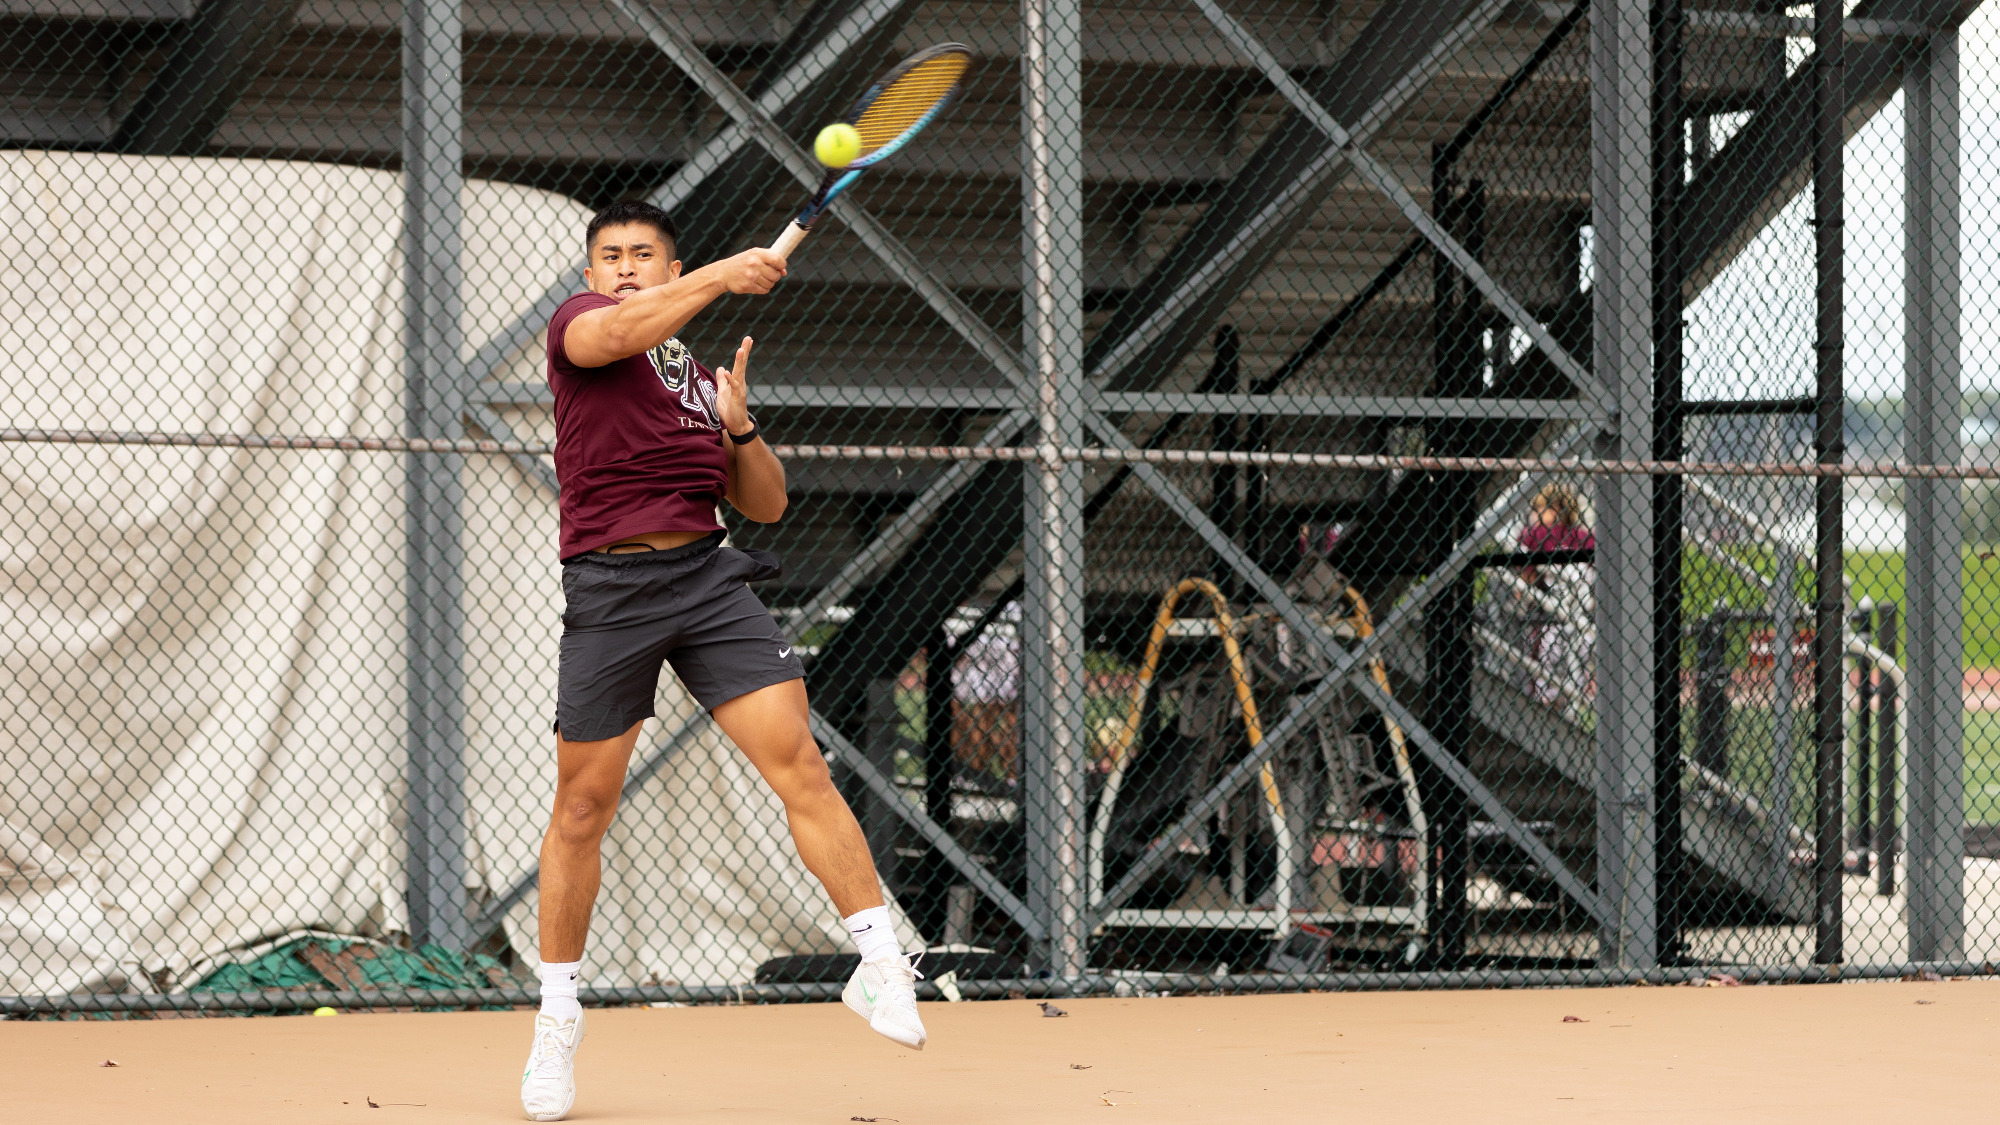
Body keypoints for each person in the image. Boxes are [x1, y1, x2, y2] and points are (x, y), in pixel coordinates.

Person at [520, 201, 925, 1122]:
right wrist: (718, 277)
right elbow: (620, 331)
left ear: (668, 264)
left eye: (643, 256)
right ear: (592, 276)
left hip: (708, 580)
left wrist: (738, 426)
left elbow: (768, 503)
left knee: (802, 765)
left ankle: (879, 963)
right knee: (582, 807)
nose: (624, 268)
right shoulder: (580, 327)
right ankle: (556, 1018)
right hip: (611, 593)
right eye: (610, 257)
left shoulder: (696, 376)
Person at [1517, 484, 1595, 704]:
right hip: (1581, 618)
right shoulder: (1584, 537)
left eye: (1540, 508)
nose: (1536, 515)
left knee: (1543, 677)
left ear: (1556, 509)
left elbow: (1525, 575)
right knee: (1573, 678)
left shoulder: (1537, 534)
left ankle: (1546, 704)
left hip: (1548, 617)